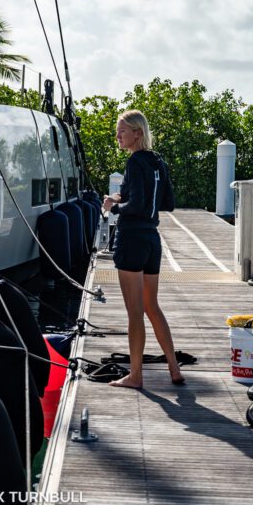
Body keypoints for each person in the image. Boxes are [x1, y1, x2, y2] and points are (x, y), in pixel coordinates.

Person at [102, 110, 184, 388]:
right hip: (152, 241)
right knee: (152, 306)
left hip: (132, 240)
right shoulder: (157, 162)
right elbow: (167, 202)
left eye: (122, 131)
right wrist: (119, 197)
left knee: (135, 313)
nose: (118, 136)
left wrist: (115, 207)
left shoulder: (135, 161)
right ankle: (174, 367)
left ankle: (135, 376)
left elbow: (133, 206)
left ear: (138, 133)